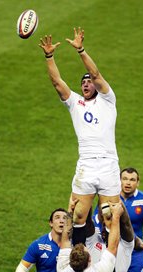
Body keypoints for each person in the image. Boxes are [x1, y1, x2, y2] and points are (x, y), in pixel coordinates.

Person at [39, 27, 120, 245]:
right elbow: (57, 82)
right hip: (86, 165)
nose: (86, 83)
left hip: (108, 164)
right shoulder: (76, 103)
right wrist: (49, 56)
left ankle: (112, 266)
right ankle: (79, 258)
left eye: (89, 82)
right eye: (82, 82)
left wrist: (81, 50)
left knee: (111, 217)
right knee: (77, 217)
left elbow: (96, 74)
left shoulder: (107, 99)